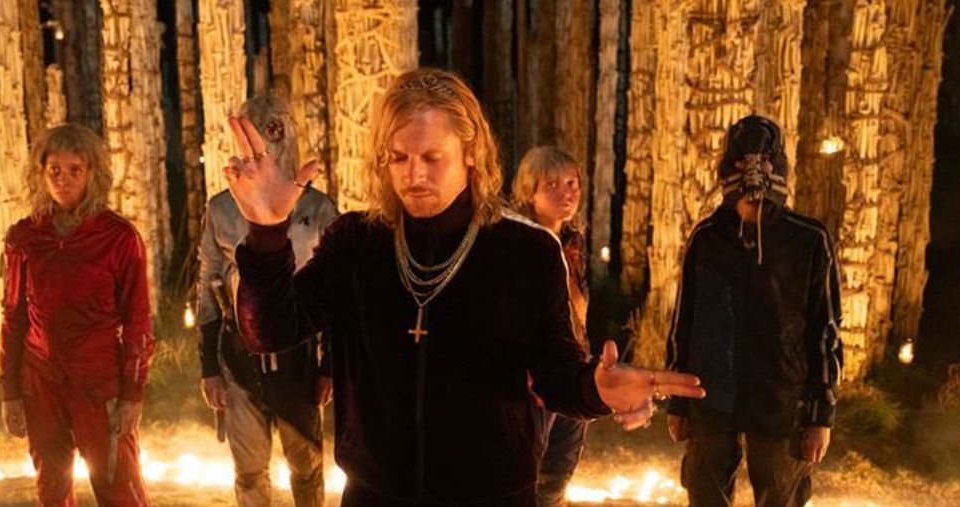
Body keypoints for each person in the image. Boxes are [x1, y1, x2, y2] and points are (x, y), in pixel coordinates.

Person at [225, 68, 705, 506]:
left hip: (491, 496)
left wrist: (596, 389)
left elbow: (556, 375)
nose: (414, 174)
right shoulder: (356, 242)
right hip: (374, 495)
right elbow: (269, 330)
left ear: (472, 153)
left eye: (432, 157)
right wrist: (266, 232)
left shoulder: (525, 252)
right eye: (398, 157)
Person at [665, 115, 843, 507]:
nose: (753, 171)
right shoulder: (707, 238)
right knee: (705, 494)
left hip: (781, 396)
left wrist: (820, 414)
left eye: (763, 160)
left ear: (776, 166)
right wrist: (679, 400)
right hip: (711, 395)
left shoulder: (808, 240)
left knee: (780, 496)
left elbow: (825, 330)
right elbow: (685, 321)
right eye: (743, 160)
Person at [0, 123, 153, 506]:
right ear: (41, 172)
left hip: (98, 381)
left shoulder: (118, 237)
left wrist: (132, 394)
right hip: (40, 381)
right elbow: (14, 316)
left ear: (92, 173)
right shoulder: (25, 237)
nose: (63, 179)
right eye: (54, 170)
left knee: (118, 486)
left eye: (74, 170)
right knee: (52, 489)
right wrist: (11, 392)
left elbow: (137, 320)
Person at [197, 94, 338, 507]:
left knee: (306, 465)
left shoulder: (318, 208)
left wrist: (330, 364)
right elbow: (208, 284)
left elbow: (335, 290)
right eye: (257, 133)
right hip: (239, 355)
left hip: (298, 359)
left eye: (275, 131)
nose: (267, 144)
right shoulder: (222, 210)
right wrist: (209, 367)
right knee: (249, 469)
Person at [510, 146, 590, 506]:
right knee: (526, 475)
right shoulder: (517, 246)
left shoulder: (571, 244)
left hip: (572, 372)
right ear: (530, 192)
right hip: (533, 383)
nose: (566, 193)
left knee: (557, 473)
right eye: (552, 185)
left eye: (572, 183)